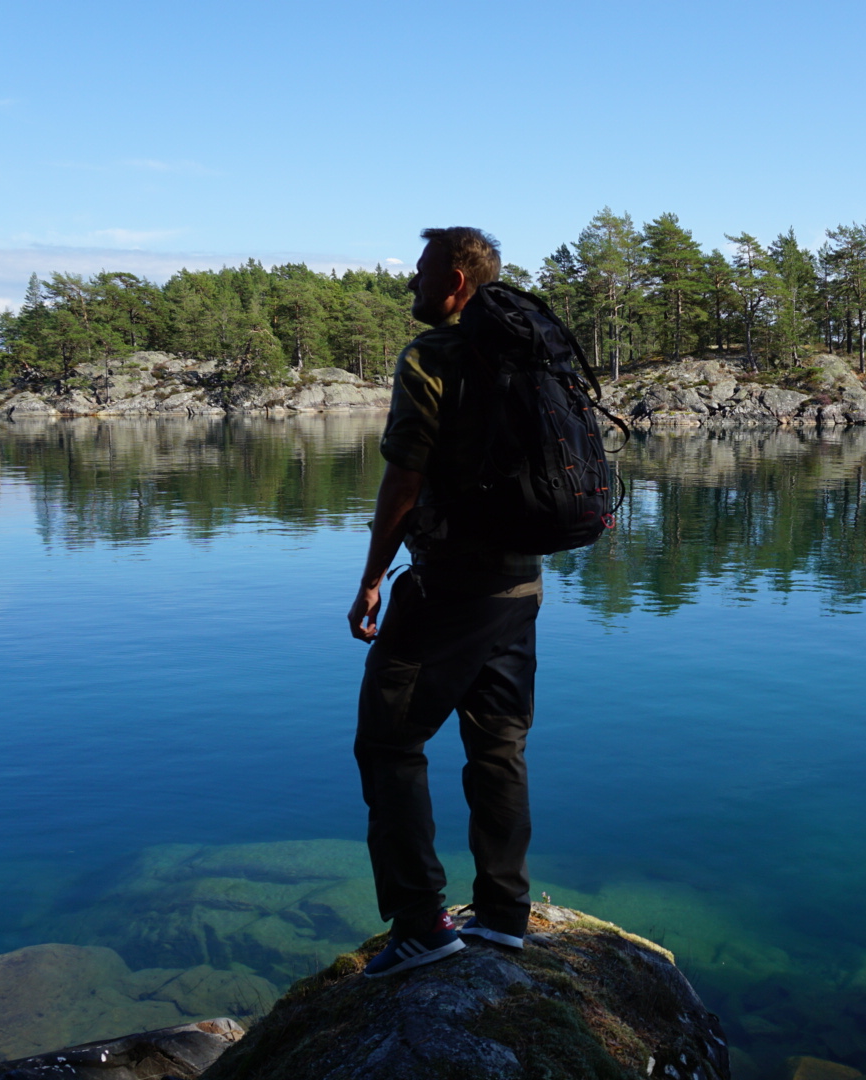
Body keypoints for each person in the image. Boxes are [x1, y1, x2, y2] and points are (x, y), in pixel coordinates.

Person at [347, 226, 542, 978]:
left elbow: (404, 479)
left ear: (458, 282)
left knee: (390, 741)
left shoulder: (434, 357)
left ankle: (421, 924)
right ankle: (502, 916)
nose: (412, 286)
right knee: (499, 746)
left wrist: (372, 575)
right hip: (520, 584)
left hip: (451, 583)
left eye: (423, 272)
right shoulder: (526, 353)